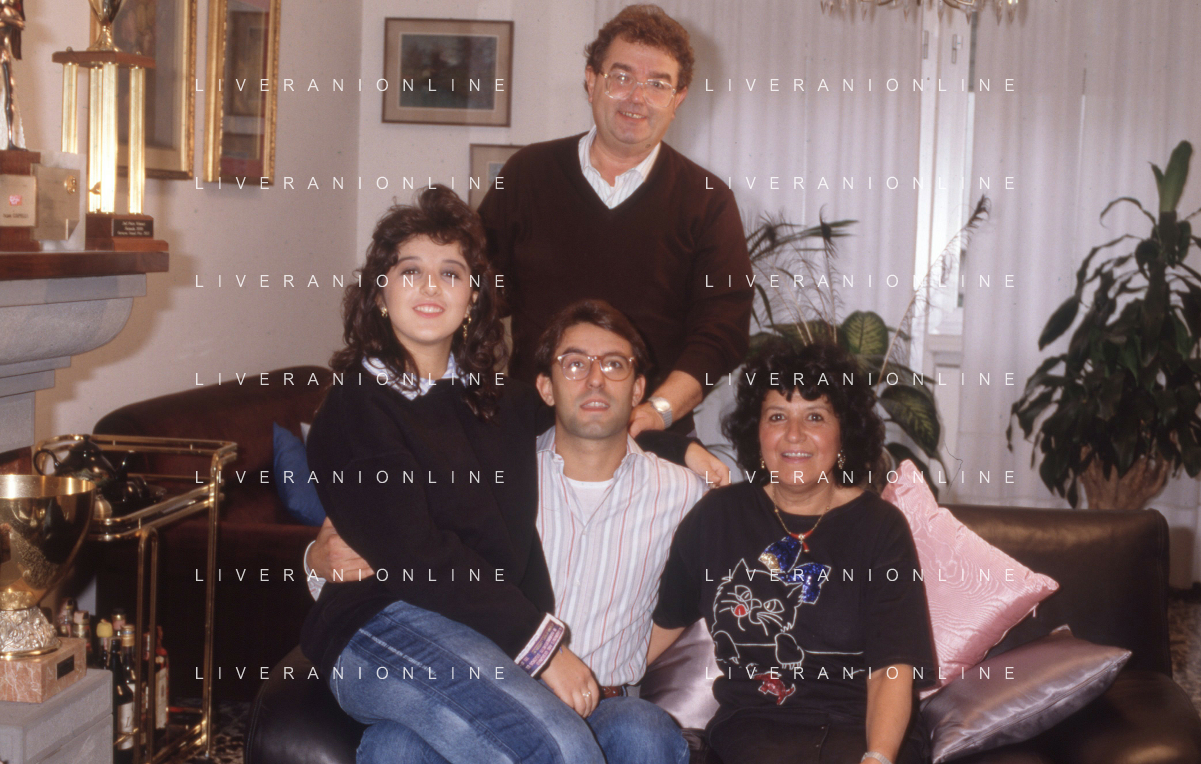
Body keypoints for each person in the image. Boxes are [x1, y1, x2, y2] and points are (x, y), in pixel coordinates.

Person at [300, 187, 709, 764]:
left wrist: (679, 446)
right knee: (557, 749)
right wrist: (541, 646)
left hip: (474, 635)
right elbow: (418, 556)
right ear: (380, 291)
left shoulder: (496, 402)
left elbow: (587, 413)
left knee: (416, 749)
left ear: (473, 296)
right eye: (411, 270)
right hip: (380, 625)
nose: (431, 286)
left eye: (451, 273)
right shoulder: (357, 407)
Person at [647, 340, 936, 764]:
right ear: (757, 431)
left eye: (814, 416)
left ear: (843, 433)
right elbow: (656, 629)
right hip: (753, 734)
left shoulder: (880, 528)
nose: (794, 434)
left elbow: (891, 670)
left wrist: (877, 757)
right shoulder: (718, 518)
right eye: (777, 416)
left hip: (861, 730)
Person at [477, 4, 754, 437]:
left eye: (657, 84)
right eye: (621, 77)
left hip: (652, 438)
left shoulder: (708, 200)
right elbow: (478, 294)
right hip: (532, 433)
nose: (636, 98)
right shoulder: (527, 174)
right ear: (591, 81)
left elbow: (722, 333)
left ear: (678, 98)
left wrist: (656, 412)